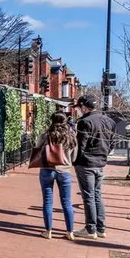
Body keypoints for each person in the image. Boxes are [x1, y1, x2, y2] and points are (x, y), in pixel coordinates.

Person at [73, 94, 115, 239]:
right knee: (97, 195)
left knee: (89, 196)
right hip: (100, 162)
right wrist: (104, 154)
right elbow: (112, 143)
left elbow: (81, 145)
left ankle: (90, 229)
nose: (79, 110)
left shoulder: (85, 122)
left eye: (80, 108)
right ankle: (100, 228)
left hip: (86, 163)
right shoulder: (109, 121)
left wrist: (75, 160)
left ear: (84, 107)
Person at [34, 112, 78, 240]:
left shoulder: (45, 135)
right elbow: (74, 157)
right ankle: (70, 232)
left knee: (47, 201)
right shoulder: (71, 136)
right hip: (64, 171)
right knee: (67, 202)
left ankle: (48, 231)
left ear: (52, 120)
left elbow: (37, 148)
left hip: (47, 170)